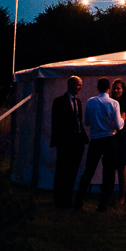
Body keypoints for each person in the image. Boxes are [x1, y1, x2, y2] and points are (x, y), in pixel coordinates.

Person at [75, 77, 124, 212]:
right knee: (108, 173)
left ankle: (78, 201)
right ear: (109, 87)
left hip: (95, 140)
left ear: (97, 87)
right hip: (109, 139)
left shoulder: (91, 102)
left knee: (88, 171)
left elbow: (86, 122)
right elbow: (118, 125)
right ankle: (102, 205)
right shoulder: (114, 103)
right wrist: (123, 120)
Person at [51, 76, 89, 208]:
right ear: (71, 85)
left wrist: (83, 137)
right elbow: (56, 123)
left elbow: (79, 121)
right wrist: (60, 140)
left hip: (77, 142)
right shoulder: (59, 101)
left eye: (81, 85)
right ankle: (58, 199)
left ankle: (67, 198)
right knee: (62, 170)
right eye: (78, 85)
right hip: (65, 141)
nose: (80, 87)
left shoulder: (78, 102)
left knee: (72, 171)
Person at [110, 78, 126, 206]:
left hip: (123, 136)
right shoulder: (110, 102)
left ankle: (122, 196)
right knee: (110, 166)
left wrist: (122, 121)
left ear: (123, 89)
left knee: (121, 167)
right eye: (114, 88)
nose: (116, 91)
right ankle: (109, 196)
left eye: (118, 88)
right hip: (111, 136)